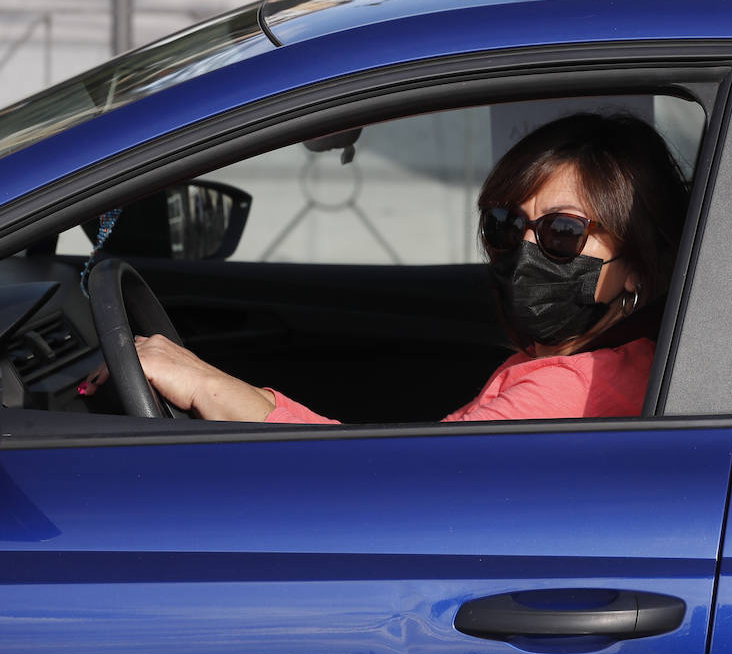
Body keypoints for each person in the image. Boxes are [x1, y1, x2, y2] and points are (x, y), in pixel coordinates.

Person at [93, 111, 690, 422]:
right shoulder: (618, 364)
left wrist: (206, 385)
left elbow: (380, 486)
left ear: (637, 264)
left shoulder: (561, 392)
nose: (525, 251)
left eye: (563, 232)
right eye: (505, 226)